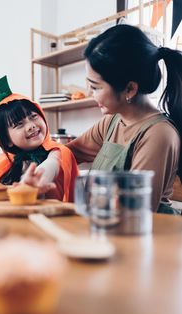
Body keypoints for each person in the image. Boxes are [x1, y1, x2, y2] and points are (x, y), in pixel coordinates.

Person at [66, 24, 182, 213]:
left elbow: (135, 210)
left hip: (147, 234)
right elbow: (69, 153)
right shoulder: (112, 122)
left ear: (130, 89)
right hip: (110, 224)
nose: (89, 93)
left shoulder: (158, 134)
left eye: (95, 87)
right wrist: (49, 164)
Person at [0, 76, 79, 202]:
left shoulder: (56, 152)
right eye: (19, 124)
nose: (31, 125)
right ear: (7, 141)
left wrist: (35, 178)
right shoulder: (1, 163)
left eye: (33, 116)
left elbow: (51, 165)